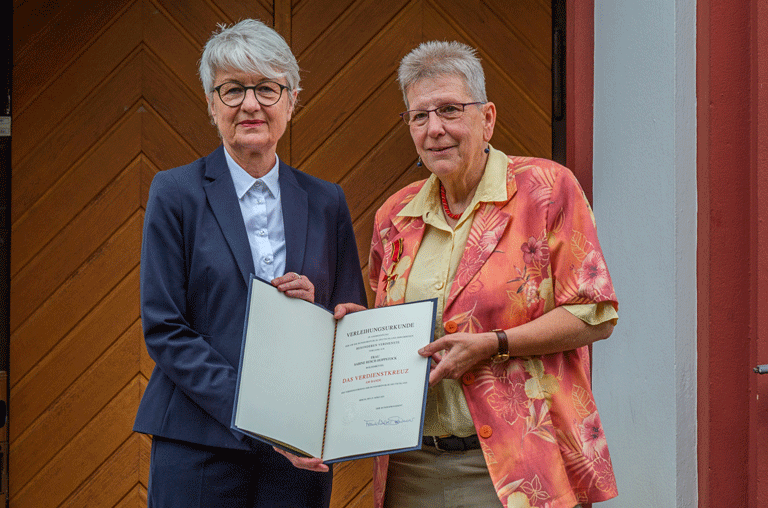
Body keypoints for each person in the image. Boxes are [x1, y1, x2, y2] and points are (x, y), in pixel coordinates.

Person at [337, 41, 619, 508]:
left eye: (449, 109)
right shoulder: (395, 217)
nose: (434, 129)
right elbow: (395, 336)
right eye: (419, 116)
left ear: (487, 118)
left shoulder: (546, 190)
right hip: (413, 468)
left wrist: (494, 344)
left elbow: (595, 314)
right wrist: (354, 330)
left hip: (521, 461)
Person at [133, 19, 367, 508]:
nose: (251, 103)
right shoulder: (174, 193)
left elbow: (350, 317)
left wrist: (318, 308)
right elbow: (165, 328)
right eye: (233, 89)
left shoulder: (327, 201)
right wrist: (257, 411)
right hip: (198, 440)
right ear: (211, 103)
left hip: (298, 452)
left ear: (292, 99)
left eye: (266, 87)